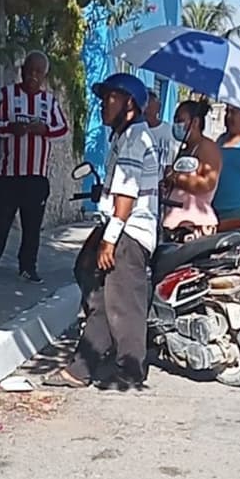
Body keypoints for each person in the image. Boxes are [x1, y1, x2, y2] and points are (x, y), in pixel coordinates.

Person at [46, 72, 159, 390]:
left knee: (123, 304)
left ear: (130, 105)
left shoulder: (135, 139)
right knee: (101, 296)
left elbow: (126, 198)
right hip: (120, 227)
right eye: (104, 98)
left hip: (128, 233)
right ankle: (83, 367)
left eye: (111, 98)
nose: (103, 105)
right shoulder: (124, 137)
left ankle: (129, 370)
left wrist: (109, 241)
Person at [0, 51, 69, 284]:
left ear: (45, 76)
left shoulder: (49, 102)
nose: (33, 76)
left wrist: (44, 130)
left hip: (36, 177)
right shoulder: (6, 95)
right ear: (22, 71)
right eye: (30, 71)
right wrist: (9, 128)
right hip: (8, 174)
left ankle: (28, 267)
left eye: (39, 72)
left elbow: (63, 130)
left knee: (32, 226)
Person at [162, 100, 223, 240]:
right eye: (175, 120)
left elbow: (207, 183)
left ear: (195, 122)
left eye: (180, 120)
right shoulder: (184, 150)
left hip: (194, 224)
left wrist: (175, 178)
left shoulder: (207, 147)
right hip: (173, 223)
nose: (176, 124)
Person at [144, 88, 177, 173]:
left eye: (150, 107)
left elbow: (169, 163)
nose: (147, 111)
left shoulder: (169, 132)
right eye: (145, 107)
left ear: (158, 108)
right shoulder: (136, 130)